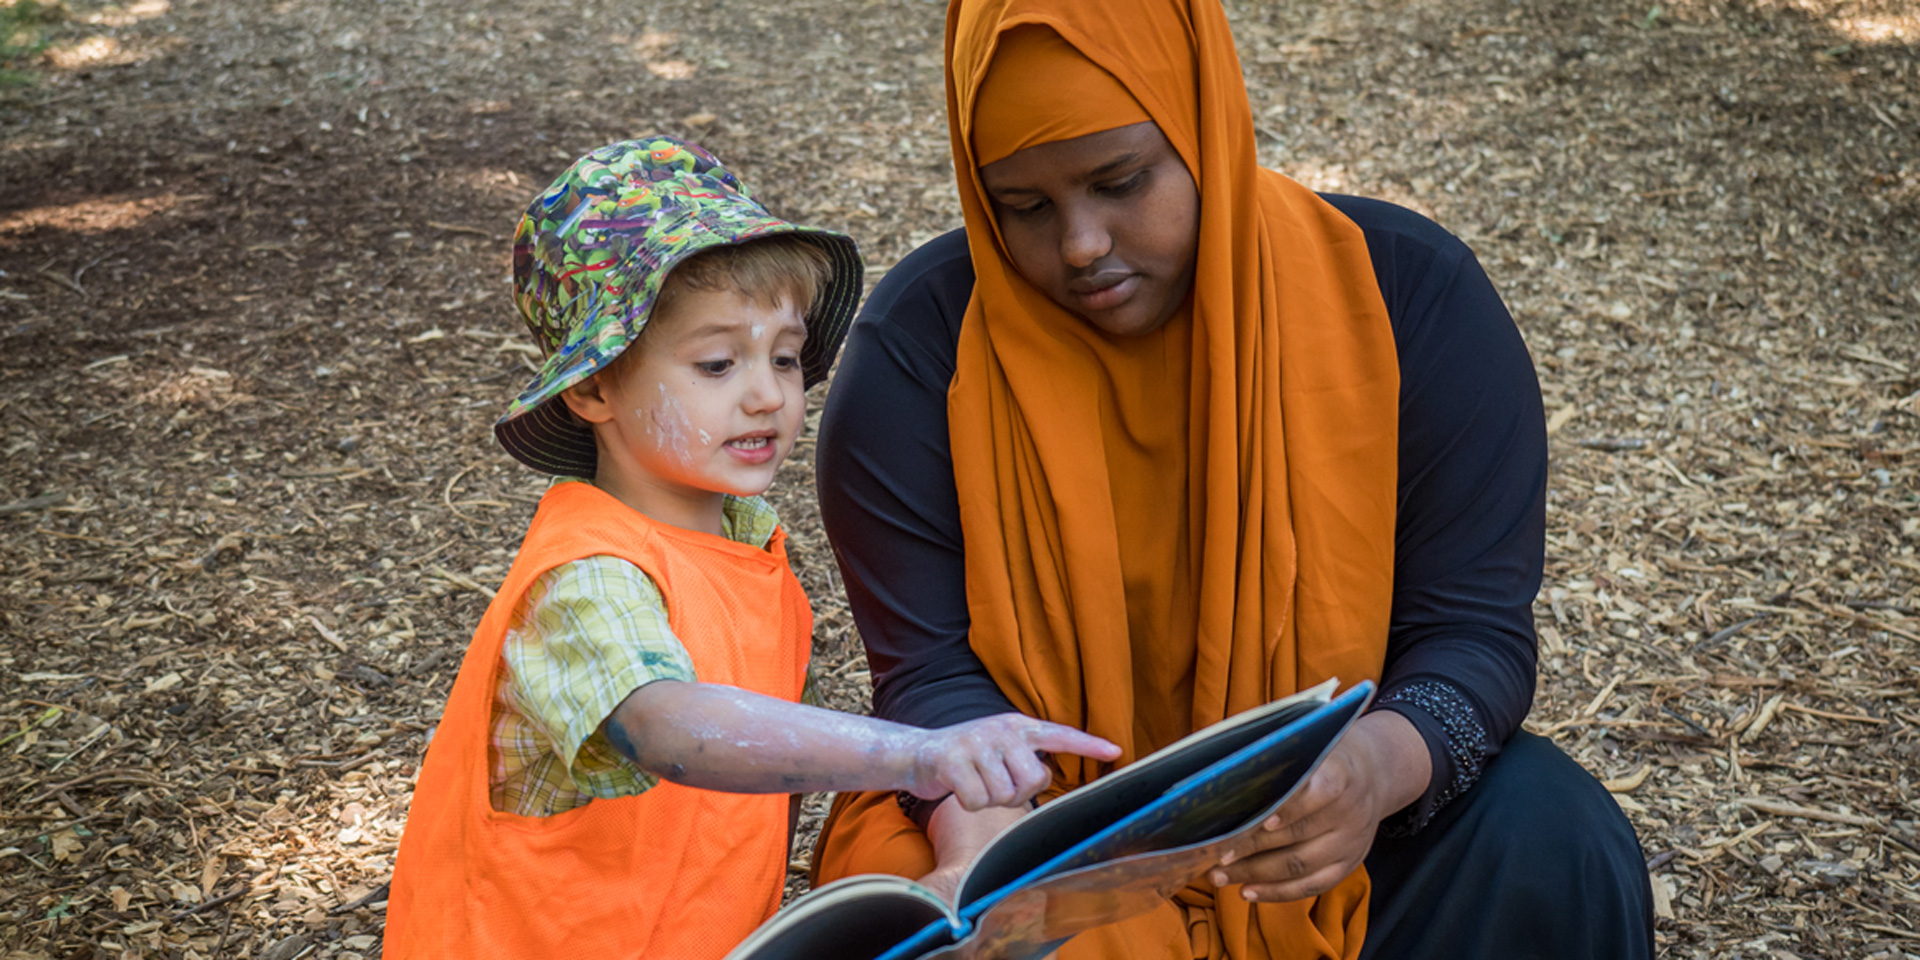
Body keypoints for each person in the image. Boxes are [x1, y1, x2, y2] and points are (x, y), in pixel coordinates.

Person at [808, 2, 1656, 958]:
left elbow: (1470, 633)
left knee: (1551, 839)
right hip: (1028, 823)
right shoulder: (922, 356)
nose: (1082, 242)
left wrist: (1373, 770)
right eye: (1023, 206)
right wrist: (985, 848)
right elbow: (927, 674)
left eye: (1120, 180)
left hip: (1334, 828)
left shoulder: (1407, 299)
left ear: (1202, 119)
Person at [382, 137, 1121, 960]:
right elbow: (668, 724)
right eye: (717, 362)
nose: (769, 393)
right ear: (594, 387)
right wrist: (917, 754)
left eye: (784, 356)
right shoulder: (589, 575)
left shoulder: (742, 538)